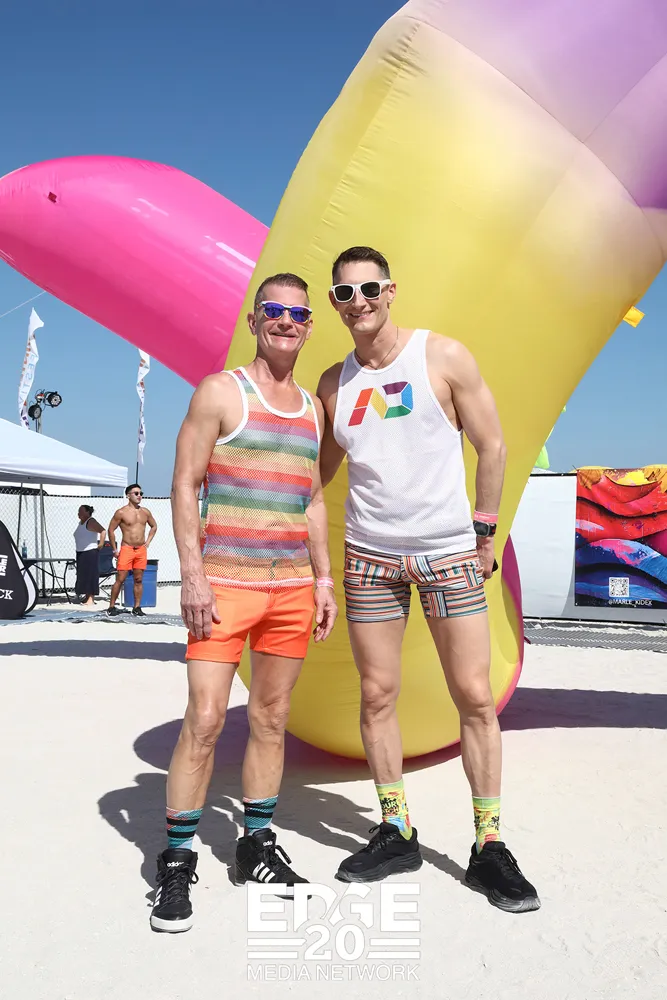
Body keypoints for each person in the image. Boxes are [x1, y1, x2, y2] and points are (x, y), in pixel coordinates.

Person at [317, 246, 540, 913]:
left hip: (447, 552)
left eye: (369, 289)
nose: (358, 302)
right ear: (334, 303)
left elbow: (492, 445)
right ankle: (396, 830)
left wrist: (484, 533)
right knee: (376, 694)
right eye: (344, 293)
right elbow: (314, 474)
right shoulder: (333, 384)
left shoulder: (441, 356)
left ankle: (489, 845)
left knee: (474, 696)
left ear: (390, 291)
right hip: (369, 559)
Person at [150, 272, 338, 934]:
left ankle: (255, 845)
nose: (287, 321)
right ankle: (176, 860)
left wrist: (323, 580)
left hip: (291, 589)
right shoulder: (220, 392)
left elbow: (313, 498)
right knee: (204, 720)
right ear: (255, 321)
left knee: (271, 718)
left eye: (299, 314)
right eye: (274, 311)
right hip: (224, 586)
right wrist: (192, 576)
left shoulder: (313, 409)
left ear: (309, 327)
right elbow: (184, 482)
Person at [106, 485, 157, 617]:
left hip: (140, 550)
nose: (139, 496)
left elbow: (154, 526)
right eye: (136, 493)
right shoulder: (121, 512)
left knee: (138, 579)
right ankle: (111, 606)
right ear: (128, 495)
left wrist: (148, 542)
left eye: (141, 493)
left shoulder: (145, 512)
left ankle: (137, 607)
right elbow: (111, 530)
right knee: (121, 578)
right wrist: (114, 549)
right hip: (127, 548)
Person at [73, 504, 106, 606]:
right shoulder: (81, 523)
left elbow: (103, 531)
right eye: (78, 511)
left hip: (90, 552)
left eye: (81, 511)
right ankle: (87, 597)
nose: (79, 513)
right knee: (83, 575)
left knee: (90, 575)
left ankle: (91, 599)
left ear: (87, 512)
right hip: (81, 552)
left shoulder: (91, 521)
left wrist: (101, 544)